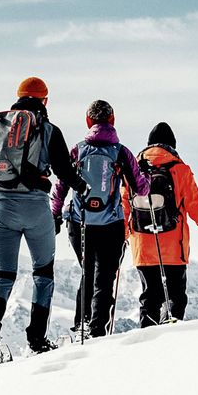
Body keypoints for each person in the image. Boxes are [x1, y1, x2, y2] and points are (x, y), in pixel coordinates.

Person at [0, 77, 88, 362]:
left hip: (0, 208)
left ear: (18, 97)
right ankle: (36, 339)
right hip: (35, 208)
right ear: (44, 100)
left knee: (4, 274)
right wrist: (82, 186)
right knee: (43, 273)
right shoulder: (48, 130)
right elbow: (64, 171)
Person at [58, 100, 144, 339]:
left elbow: (61, 186)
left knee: (87, 271)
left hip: (79, 222)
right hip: (111, 224)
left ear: (88, 121)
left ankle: (81, 324)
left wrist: (56, 213)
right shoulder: (122, 152)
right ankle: (98, 329)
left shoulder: (77, 150)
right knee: (104, 277)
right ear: (112, 120)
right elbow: (141, 189)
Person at [128, 121, 198, 326]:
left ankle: (145, 342)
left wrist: (122, 237)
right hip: (173, 248)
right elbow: (196, 207)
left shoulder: (133, 169)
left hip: (143, 247)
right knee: (175, 298)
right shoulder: (179, 170)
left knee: (149, 297)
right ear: (172, 145)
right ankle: (171, 339)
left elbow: (123, 207)